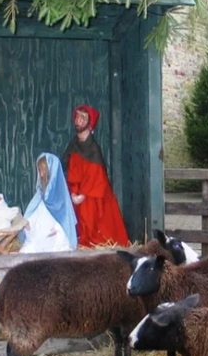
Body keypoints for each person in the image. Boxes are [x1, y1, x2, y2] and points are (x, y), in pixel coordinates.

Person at [61, 105, 129, 247]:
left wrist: (83, 194)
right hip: (77, 192)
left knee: (91, 215)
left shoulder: (93, 149)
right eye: (77, 116)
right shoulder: (74, 145)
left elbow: (96, 176)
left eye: (83, 118)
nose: (79, 120)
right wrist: (74, 191)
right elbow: (72, 170)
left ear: (89, 123)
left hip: (93, 194)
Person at [19, 153, 77, 253]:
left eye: (44, 170)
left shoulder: (60, 197)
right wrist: (29, 223)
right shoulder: (39, 196)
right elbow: (34, 214)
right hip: (37, 238)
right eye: (40, 170)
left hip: (53, 241)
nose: (41, 174)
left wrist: (58, 229)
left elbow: (66, 220)